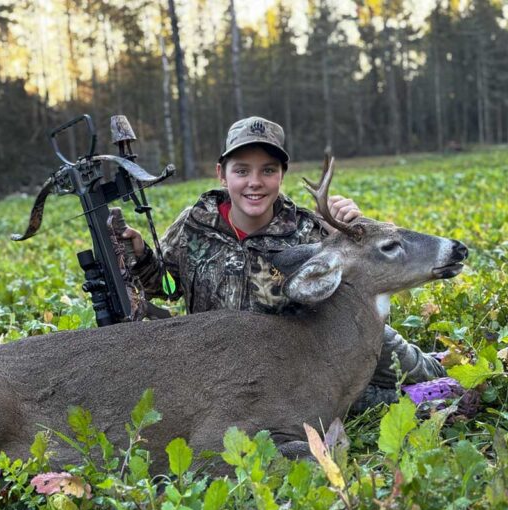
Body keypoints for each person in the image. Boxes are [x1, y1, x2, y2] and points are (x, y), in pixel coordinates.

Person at [121, 116, 447, 412]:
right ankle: (434, 394)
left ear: (281, 176)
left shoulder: (308, 229)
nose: (255, 182)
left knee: (408, 364)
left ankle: (447, 371)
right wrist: (141, 257)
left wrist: (351, 232)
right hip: (241, 370)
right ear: (222, 174)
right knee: (371, 402)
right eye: (241, 170)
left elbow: (365, 283)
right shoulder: (194, 225)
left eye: (268, 170)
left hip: (313, 353)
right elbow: (167, 286)